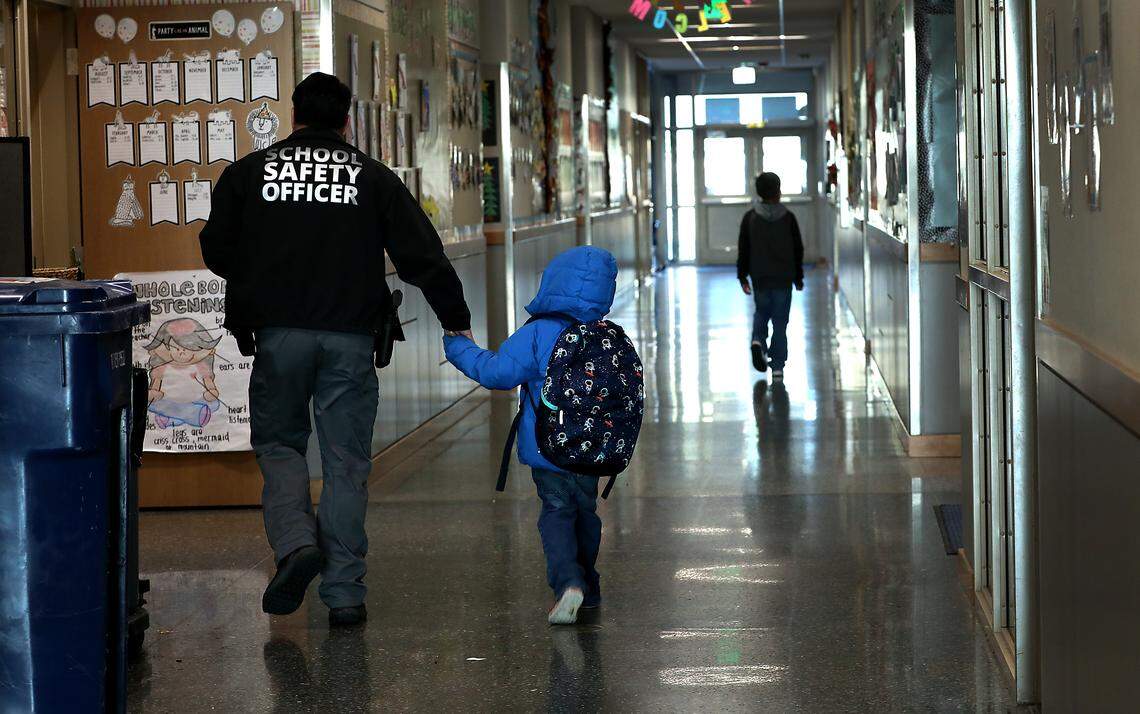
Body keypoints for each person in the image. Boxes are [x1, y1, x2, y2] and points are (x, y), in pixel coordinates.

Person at [199, 72, 472, 627]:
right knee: (346, 463)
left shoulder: (249, 174)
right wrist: (456, 320)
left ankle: (297, 546)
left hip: (277, 337)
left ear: (292, 115)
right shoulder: (372, 178)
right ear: (347, 119)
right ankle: (345, 593)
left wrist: (262, 276)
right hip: (350, 338)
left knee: (280, 448)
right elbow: (424, 254)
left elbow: (215, 249)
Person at [444, 246, 618, 625]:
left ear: (552, 282)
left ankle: (568, 584)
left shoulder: (539, 333)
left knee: (556, 513)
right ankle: (589, 585)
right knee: (584, 513)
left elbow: (496, 374)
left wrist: (457, 346)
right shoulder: (603, 334)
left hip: (549, 450)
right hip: (592, 452)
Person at [737, 171, 804, 381]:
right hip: (783, 278)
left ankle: (757, 340)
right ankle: (777, 367)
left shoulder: (750, 218)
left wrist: (742, 276)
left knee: (761, 312)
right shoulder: (788, 218)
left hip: (760, 276)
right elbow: (797, 249)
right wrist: (798, 277)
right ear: (779, 191)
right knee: (780, 322)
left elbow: (744, 248)